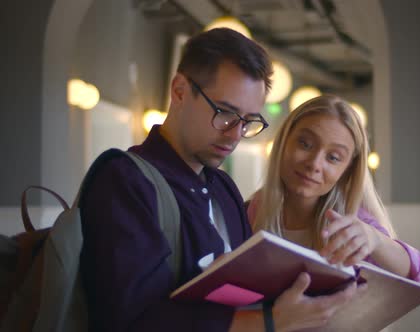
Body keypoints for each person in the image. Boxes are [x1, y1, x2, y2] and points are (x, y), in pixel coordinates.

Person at [80, 28, 361, 332]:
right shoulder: (125, 181)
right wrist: (269, 322)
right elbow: (132, 321)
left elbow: (246, 293)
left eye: (248, 121)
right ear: (179, 91)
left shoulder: (223, 188)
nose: (235, 134)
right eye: (226, 113)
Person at [247, 95, 420, 283]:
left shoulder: (352, 226)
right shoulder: (251, 210)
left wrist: (375, 239)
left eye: (333, 157)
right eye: (305, 144)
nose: (314, 164)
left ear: (347, 170)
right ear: (284, 141)